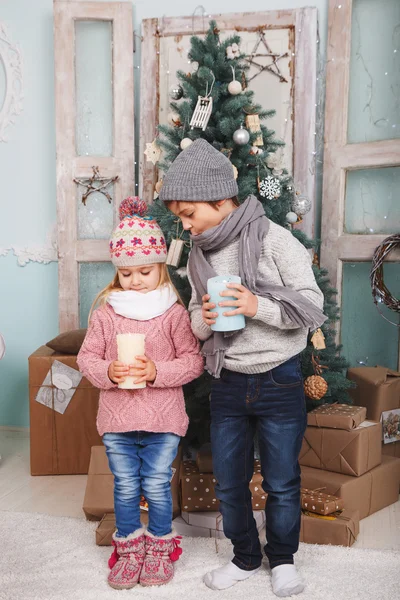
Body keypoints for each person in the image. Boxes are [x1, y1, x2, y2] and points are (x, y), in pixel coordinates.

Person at [159, 139, 326, 598]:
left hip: (280, 377)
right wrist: (205, 321)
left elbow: (312, 305)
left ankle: (284, 559)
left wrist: (255, 305)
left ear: (220, 199)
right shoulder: (199, 253)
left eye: (189, 213)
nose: (184, 224)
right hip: (229, 379)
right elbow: (195, 312)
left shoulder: (274, 239)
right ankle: (245, 556)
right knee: (229, 480)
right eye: (179, 217)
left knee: (281, 480)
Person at [77, 197, 204, 590]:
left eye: (145, 271)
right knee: (126, 485)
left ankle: (159, 548)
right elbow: (86, 359)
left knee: (155, 483)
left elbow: (193, 362)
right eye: (127, 273)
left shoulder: (173, 313)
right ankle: (130, 550)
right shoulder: (105, 314)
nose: (135, 280)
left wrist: (156, 371)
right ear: (117, 272)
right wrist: (108, 371)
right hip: (118, 418)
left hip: (163, 417)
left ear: (161, 267)